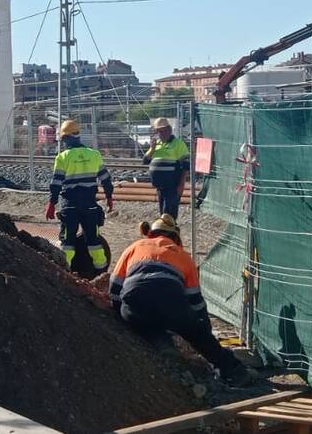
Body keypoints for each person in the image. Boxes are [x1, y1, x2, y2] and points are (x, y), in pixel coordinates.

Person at [110, 214, 252, 384]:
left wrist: (119, 315)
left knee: (138, 318)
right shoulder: (184, 256)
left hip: (135, 300)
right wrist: (202, 329)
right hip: (172, 302)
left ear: (151, 234)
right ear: (175, 237)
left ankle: (161, 341)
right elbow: (196, 302)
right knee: (195, 333)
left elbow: (115, 286)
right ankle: (233, 371)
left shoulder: (134, 247)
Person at [46, 119, 114, 273]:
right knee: (94, 242)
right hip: (89, 204)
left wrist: (51, 204)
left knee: (67, 242)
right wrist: (109, 198)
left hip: (70, 205)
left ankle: (65, 274)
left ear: (65, 138)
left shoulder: (63, 157)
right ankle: (102, 275)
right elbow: (106, 180)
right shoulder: (94, 155)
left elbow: (56, 183)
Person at [142, 117, 190, 219]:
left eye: (163, 131)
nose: (161, 133)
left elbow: (186, 166)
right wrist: (152, 149)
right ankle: (165, 234)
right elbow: (145, 161)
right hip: (160, 188)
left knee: (168, 217)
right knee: (163, 215)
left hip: (172, 187)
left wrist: (181, 184)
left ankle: (170, 234)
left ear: (169, 130)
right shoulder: (156, 144)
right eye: (158, 131)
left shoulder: (178, 144)